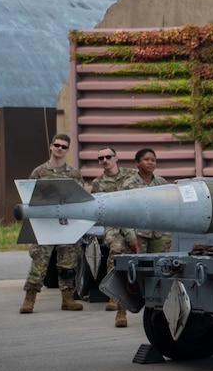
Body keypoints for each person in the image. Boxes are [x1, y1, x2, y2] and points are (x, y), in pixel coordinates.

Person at [21, 133, 83, 314]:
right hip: (45, 225)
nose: (60, 149)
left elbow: (80, 199)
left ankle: (67, 299)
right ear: (51, 146)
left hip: (65, 225)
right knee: (39, 263)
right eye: (57, 145)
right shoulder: (39, 172)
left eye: (64, 147)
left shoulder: (73, 174)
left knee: (68, 264)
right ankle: (29, 299)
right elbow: (28, 197)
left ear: (67, 150)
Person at [90, 147, 144, 327]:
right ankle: (114, 295)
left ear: (116, 157)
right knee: (117, 250)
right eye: (101, 158)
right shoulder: (98, 183)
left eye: (108, 156)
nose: (105, 160)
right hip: (113, 224)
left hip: (134, 222)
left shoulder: (131, 175)